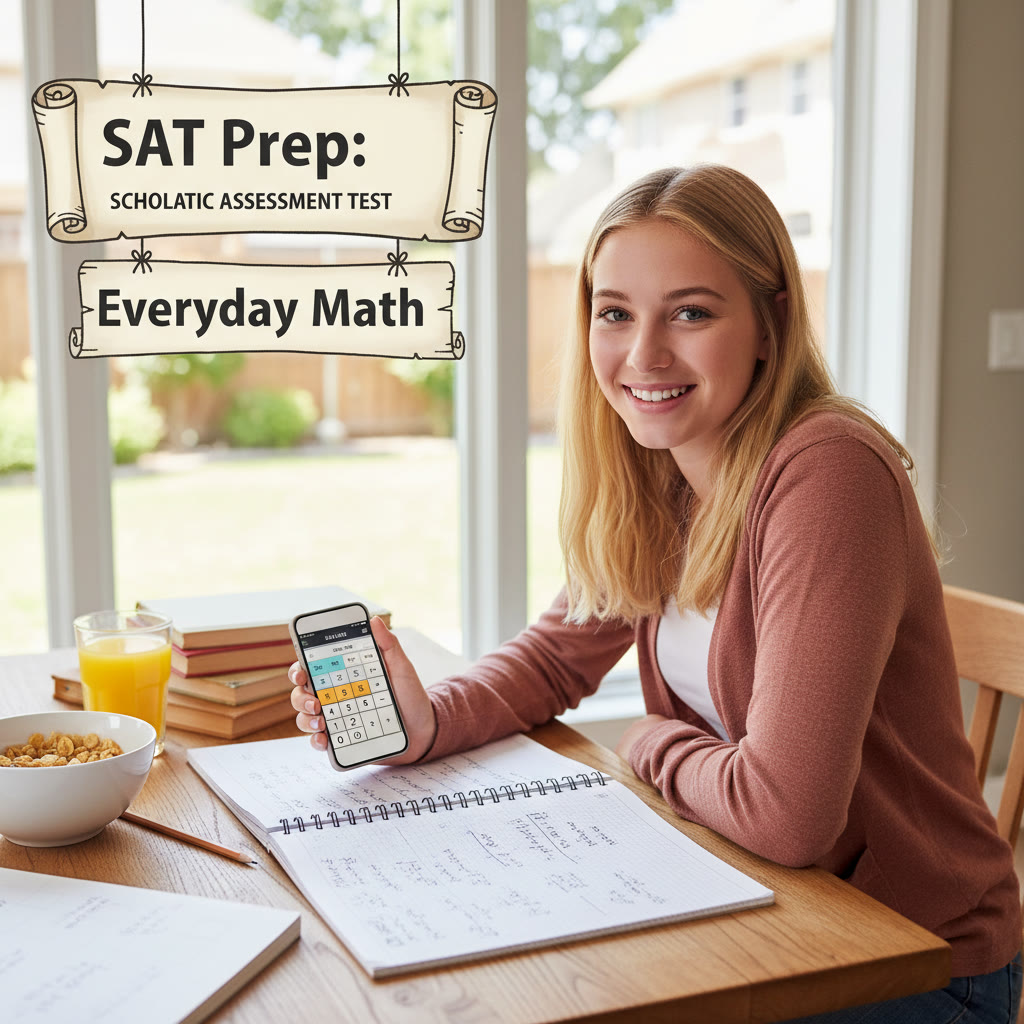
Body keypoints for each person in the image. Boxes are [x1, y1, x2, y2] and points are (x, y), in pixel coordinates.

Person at [290, 165, 1022, 1022]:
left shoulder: (828, 474)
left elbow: (788, 817)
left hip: (909, 961)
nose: (644, 355)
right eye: (615, 313)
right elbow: (555, 658)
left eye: (691, 312)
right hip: (765, 905)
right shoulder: (670, 470)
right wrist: (427, 723)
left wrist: (650, 742)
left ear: (769, 323)